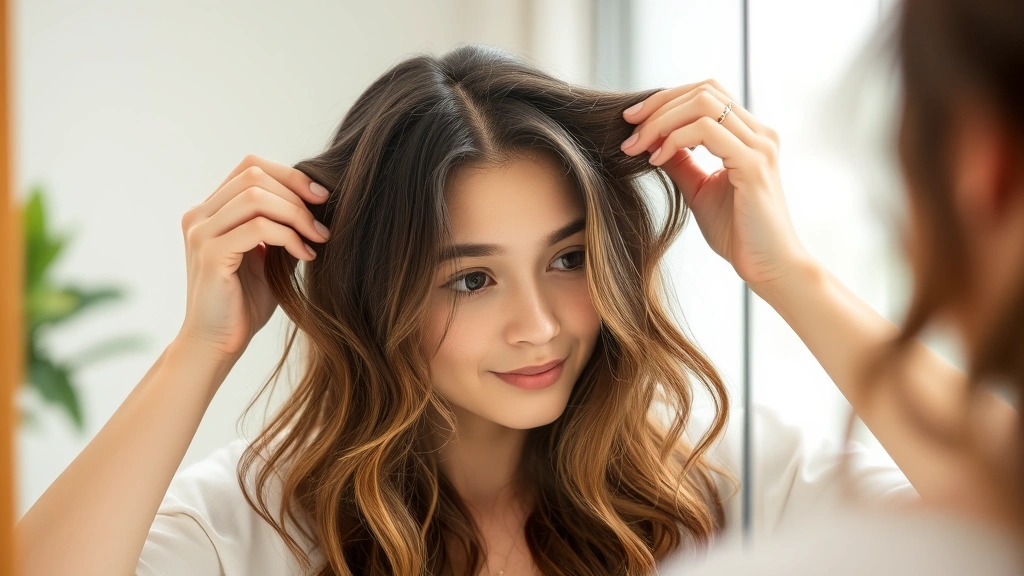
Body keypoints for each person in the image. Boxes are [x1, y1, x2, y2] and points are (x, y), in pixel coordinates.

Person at [15, 36, 984, 575]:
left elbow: (1001, 522)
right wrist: (202, 348)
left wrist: (791, 279)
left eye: (566, 259)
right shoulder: (258, 523)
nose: (541, 323)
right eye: (470, 278)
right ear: (377, 288)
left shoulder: (733, 482)